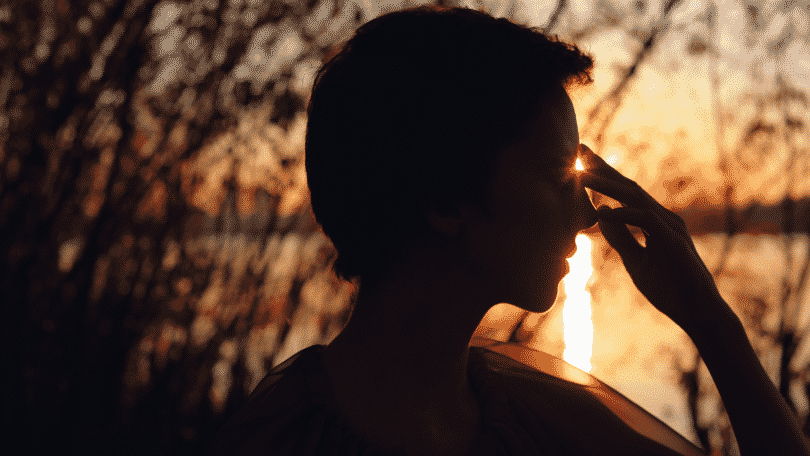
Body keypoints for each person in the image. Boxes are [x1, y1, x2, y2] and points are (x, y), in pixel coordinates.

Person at [204, 5, 810, 455]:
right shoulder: (284, 440)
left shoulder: (525, 415)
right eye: (556, 173)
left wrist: (711, 320)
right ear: (446, 200)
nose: (587, 213)